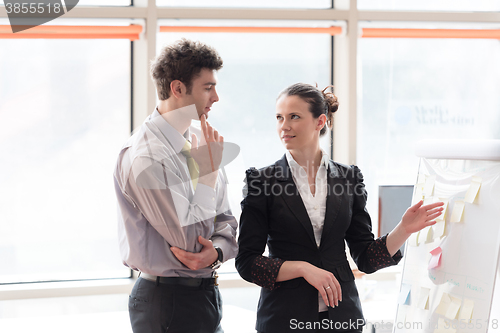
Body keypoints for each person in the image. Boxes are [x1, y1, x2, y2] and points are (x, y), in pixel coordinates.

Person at [235, 83, 444, 332]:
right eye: (279, 117)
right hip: (283, 318)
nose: (284, 126)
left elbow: (365, 257)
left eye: (294, 117)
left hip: (343, 317)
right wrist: (303, 269)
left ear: (319, 121)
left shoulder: (349, 178)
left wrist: (403, 230)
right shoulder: (262, 181)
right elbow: (248, 263)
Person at [114, 39, 238, 333]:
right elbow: (189, 241)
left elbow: (228, 225)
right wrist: (208, 175)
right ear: (178, 88)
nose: (216, 97)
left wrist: (217, 252)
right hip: (167, 302)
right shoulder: (145, 156)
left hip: (205, 296)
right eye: (208, 87)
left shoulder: (201, 141)